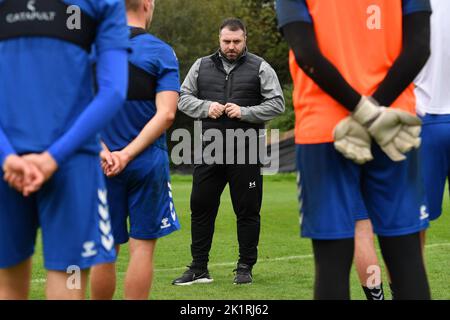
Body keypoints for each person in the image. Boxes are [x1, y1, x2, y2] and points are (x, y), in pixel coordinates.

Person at [277, 0, 432, 299]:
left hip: (327, 130)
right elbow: (418, 48)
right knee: (407, 260)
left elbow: (307, 53)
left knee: (332, 265)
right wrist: (376, 111)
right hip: (392, 126)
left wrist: (362, 111)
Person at [0, 0, 129, 299]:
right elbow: (113, 90)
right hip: (73, 162)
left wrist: (7, 155)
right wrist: (52, 158)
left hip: (7, 163)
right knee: (69, 281)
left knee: (7, 286)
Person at [173, 18, 285, 285]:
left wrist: (245, 112)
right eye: (227, 41)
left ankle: (245, 267)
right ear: (219, 39)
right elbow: (182, 97)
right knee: (200, 207)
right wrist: (205, 108)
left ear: (245, 38)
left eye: (236, 41)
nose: (231, 46)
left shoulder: (261, 67)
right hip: (209, 150)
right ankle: (199, 268)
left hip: (246, 152)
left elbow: (278, 104)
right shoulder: (200, 65)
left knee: (247, 210)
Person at [90, 0, 181, 300]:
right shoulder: (161, 51)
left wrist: (104, 150)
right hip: (147, 162)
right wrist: (128, 154)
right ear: (146, 5)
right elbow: (167, 114)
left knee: (105, 250)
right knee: (142, 249)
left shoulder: (93, 49)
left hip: (101, 163)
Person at [415, 0, 450, 249]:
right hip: (425, 117)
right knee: (415, 222)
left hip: (424, 117)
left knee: (415, 223)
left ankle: (410, 289)